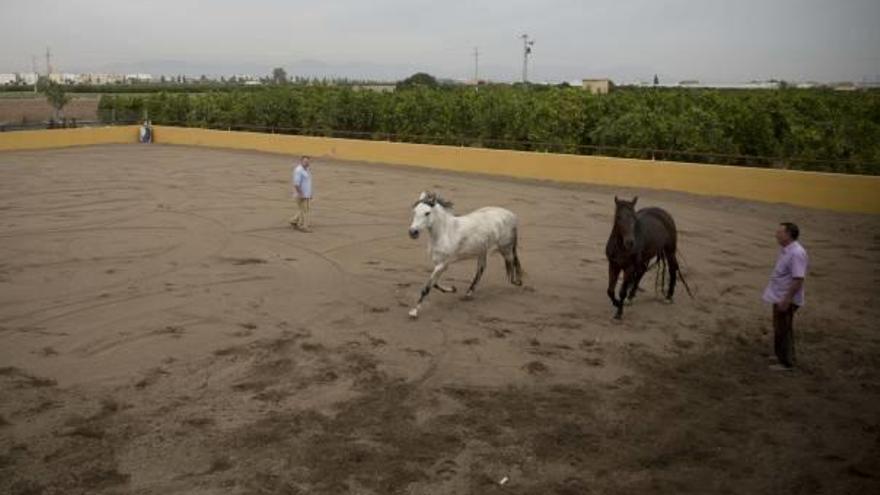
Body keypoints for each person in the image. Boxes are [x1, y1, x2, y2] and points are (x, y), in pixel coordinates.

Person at [762, 222, 808, 371]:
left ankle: (787, 362)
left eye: (780, 232)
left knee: (784, 328)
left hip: (786, 298)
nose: (777, 234)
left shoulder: (796, 253)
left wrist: (787, 299)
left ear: (788, 235)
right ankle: (779, 355)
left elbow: (798, 279)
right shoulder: (786, 250)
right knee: (778, 326)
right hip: (779, 295)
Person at [289, 156, 313, 232]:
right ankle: (304, 226)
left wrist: (310, 194)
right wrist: (301, 194)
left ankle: (293, 221)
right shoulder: (299, 171)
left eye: (308, 162)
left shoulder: (307, 170)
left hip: (306, 194)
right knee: (305, 211)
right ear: (301, 161)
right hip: (300, 195)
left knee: (303, 209)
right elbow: (296, 184)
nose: (307, 163)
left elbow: (308, 183)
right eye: (305, 162)